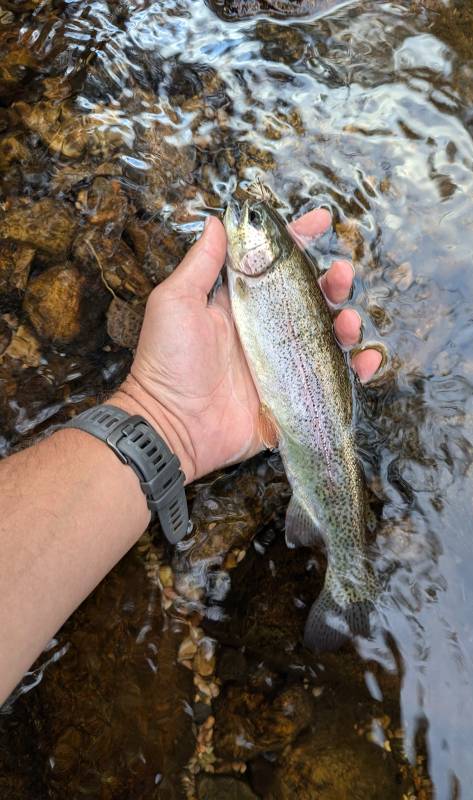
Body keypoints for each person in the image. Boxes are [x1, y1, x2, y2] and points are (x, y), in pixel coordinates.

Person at [0, 209, 381, 704]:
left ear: (262, 251)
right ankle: (352, 577)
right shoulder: (265, 273)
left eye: (249, 223)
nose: (236, 220)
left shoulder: (260, 273)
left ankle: (350, 575)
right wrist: (159, 411)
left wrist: (158, 414)